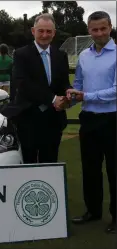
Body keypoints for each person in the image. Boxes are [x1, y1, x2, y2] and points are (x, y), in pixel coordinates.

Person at [66, 11, 116, 234]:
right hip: (88, 119)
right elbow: (78, 83)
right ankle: (93, 211)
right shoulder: (84, 56)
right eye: (94, 29)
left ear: (110, 27)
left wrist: (86, 96)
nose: (99, 33)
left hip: (113, 119)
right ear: (88, 30)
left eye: (103, 28)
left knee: (114, 170)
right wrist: (70, 96)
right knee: (90, 169)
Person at [11, 13, 72, 164]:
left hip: (53, 120)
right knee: (29, 163)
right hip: (28, 120)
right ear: (33, 31)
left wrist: (69, 93)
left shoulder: (61, 55)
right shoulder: (21, 54)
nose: (45, 35)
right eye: (41, 31)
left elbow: (63, 82)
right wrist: (52, 99)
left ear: (54, 32)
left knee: (50, 161)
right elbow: (23, 84)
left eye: (49, 31)